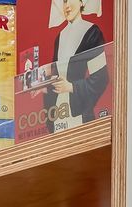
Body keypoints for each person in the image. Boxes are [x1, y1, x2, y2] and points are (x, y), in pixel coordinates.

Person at [42, 0, 109, 130]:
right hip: (58, 115)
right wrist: (44, 86)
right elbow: (57, 77)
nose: (67, 6)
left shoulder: (92, 32)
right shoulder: (60, 36)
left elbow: (101, 79)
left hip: (80, 117)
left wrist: (72, 87)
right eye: (64, 1)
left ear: (82, 2)